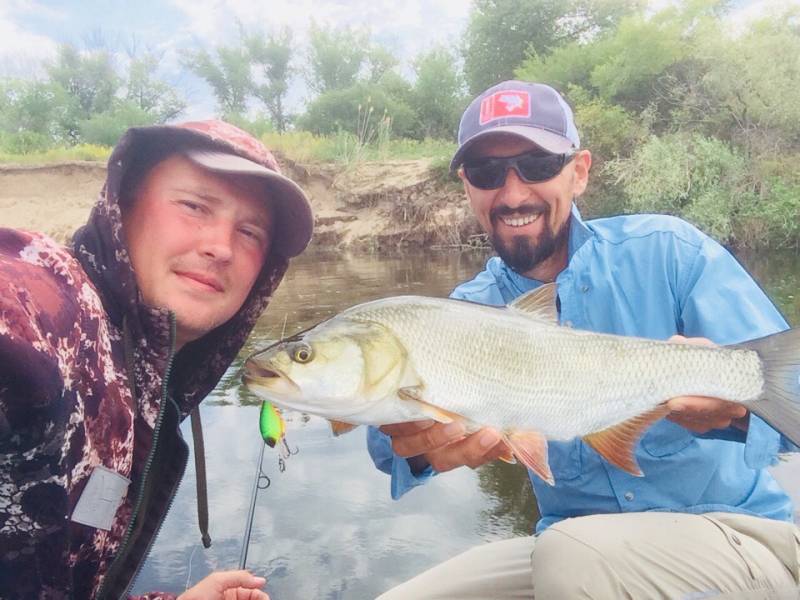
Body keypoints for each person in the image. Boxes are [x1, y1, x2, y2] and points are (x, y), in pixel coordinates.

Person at [368, 80, 800, 598]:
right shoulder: (464, 312)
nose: (512, 193)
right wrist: (418, 447)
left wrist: (735, 412)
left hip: (737, 537)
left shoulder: (671, 253)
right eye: (487, 172)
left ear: (579, 173)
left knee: (571, 557)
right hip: (571, 550)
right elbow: (387, 446)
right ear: (466, 186)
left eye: (538, 164)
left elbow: (791, 393)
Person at [0, 119, 314, 599]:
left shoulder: (149, 387)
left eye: (250, 233)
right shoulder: (51, 308)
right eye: (194, 206)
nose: (221, 247)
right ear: (121, 206)